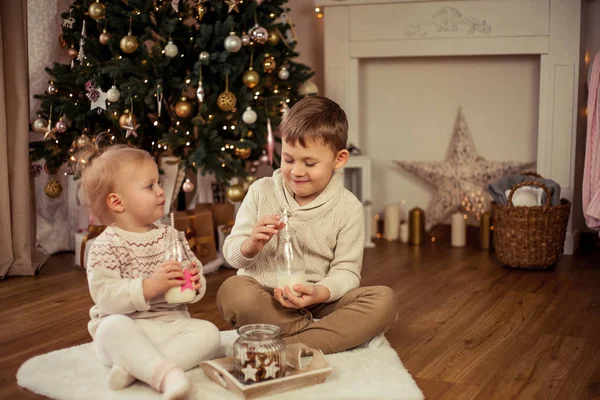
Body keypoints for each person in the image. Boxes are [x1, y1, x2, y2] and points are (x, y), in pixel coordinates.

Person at [218, 96, 398, 355]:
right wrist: (250, 245)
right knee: (232, 291)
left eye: (310, 163)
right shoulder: (261, 191)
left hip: (319, 301)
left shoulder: (348, 208)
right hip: (266, 300)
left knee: (384, 301)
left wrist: (320, 293)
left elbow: (347, 272)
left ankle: (282, 343)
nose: (296, 171)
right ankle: (317, 335)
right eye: (288, 159)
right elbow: (233, 254)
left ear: (339, 159)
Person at [79, 142, 220, 399]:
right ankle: (167, 375)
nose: (160, 191)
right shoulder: (106, 245)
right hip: (125, 327)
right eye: (150, 186)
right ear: (117, 202)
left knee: (209, 334)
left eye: (158, 183)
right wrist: (149, 286)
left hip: (169, 325)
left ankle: (136, 368)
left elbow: (190, 273)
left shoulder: (170, 235)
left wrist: (195, 281)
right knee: (111, 329)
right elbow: (105, 296)